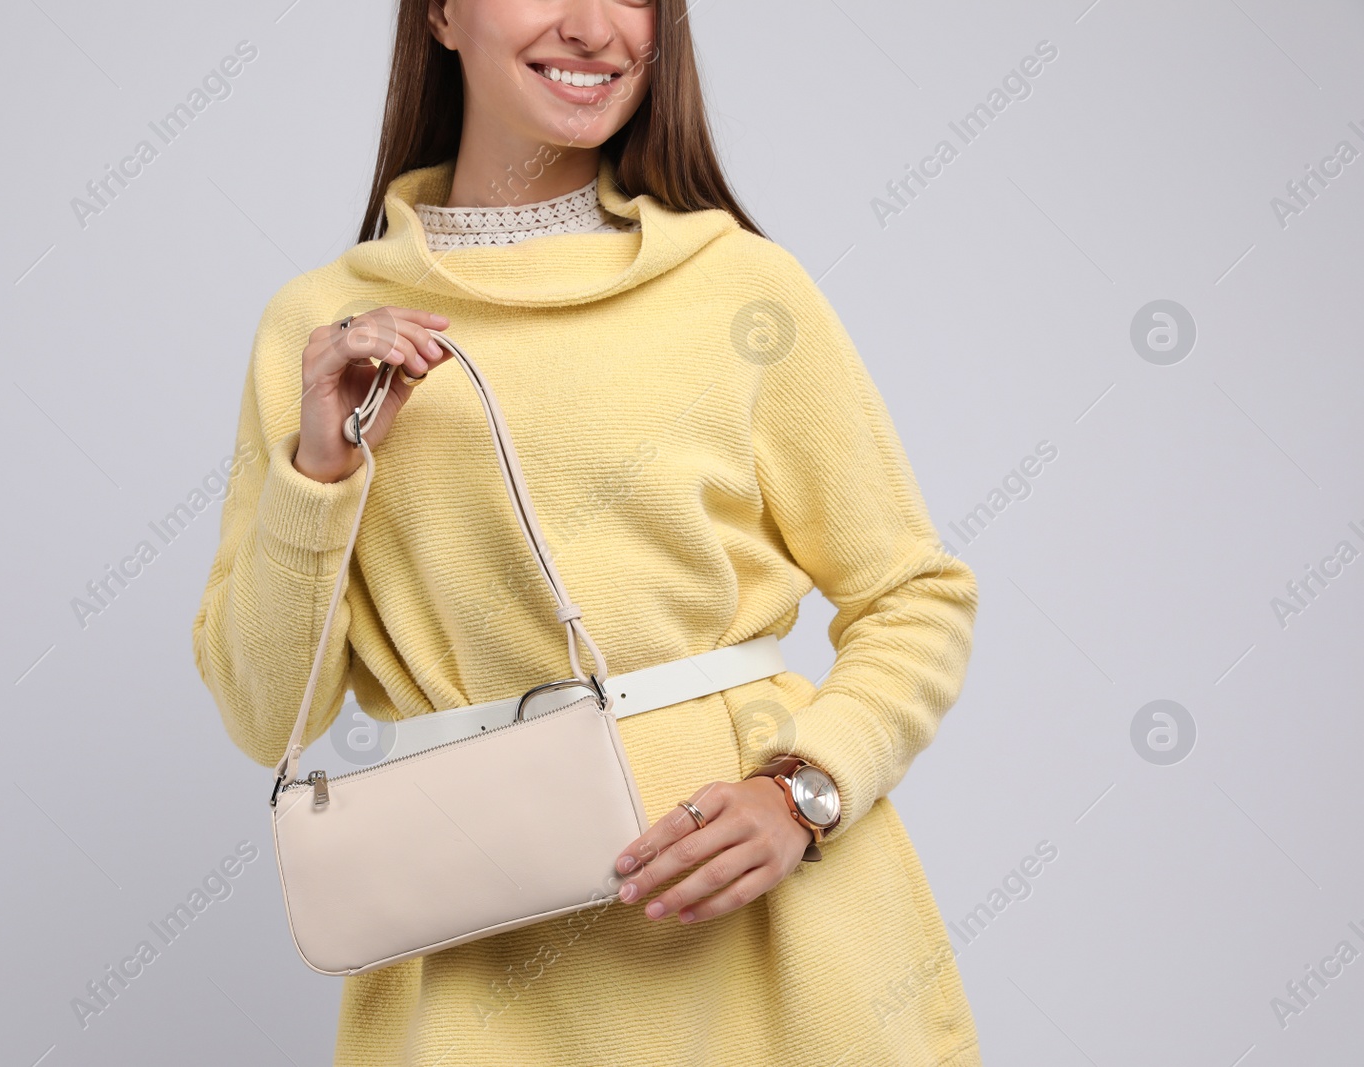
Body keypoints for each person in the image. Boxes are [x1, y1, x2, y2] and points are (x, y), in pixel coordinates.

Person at [192, 1, 983, 1063]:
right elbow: (261, 714)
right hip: (476, 975)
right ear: (439, 12)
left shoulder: (739, 287)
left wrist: (803, 788)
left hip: (776, 956)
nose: (592, 25)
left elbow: (913, 593)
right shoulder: (321, 325)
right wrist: (318, 468)